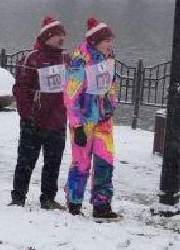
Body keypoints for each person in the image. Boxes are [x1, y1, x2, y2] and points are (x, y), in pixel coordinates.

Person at [65, 18, 121, 220]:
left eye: (110, 40)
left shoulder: (109, 58)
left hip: (104, 120)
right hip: (84, 120)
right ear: (96, 41)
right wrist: (78, 125)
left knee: (105, 162)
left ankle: (102, 205)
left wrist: (111, 104)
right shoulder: (81, 60)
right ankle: (74, 202)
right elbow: (71, 96)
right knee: (81, 163)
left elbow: (111, 86)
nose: (110, 44)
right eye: (106, 40)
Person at [11, 16, 69, 209]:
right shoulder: (31, 59)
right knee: (26, 161)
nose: (62, 38)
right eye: (57, 35)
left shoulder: (65, 59)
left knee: (53, 162)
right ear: (47, 37)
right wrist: (27, 116)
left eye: (63, 35)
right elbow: (20, 89)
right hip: (34, 120)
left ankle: (48, 198)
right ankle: (18, 197)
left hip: (58, 120)